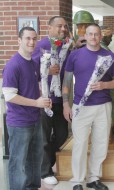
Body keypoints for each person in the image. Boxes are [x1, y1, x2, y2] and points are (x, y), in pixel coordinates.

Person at [62, 24, 114, 190]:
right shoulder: (75, 55)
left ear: (100, 36)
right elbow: (67, 82)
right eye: (90, 34)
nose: (93, 37)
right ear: (85, 35)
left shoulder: (109, 56)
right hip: (80, 106)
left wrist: (104, 85)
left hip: (103, 106)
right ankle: (77, 180)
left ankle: (93, 178)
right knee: (80, 144)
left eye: (96, 34)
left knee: (100, 142)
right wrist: (66, 104)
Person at [2, 27, 52, 189]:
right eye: (27, 38)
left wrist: (42, 99)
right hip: (19, 123)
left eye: (34, 39)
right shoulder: (13, 65)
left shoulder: (33, 63)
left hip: (35, 119)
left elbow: (32, 87)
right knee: (18, 162)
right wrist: (36, 103)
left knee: (34, 159)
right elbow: (9, 96)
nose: (31, 42)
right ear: (19, 40)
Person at [31, 16, 71, 185]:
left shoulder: (67, 46)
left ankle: (47, 160)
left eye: (65, 26)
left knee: (63, 134)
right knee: (45, 137)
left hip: (60, 98)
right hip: (45, 99)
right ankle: (45, 171)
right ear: (49, 28)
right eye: (59, 26)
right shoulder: (41, 46)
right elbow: (31, 71)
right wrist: (47, 72)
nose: (63, 29)